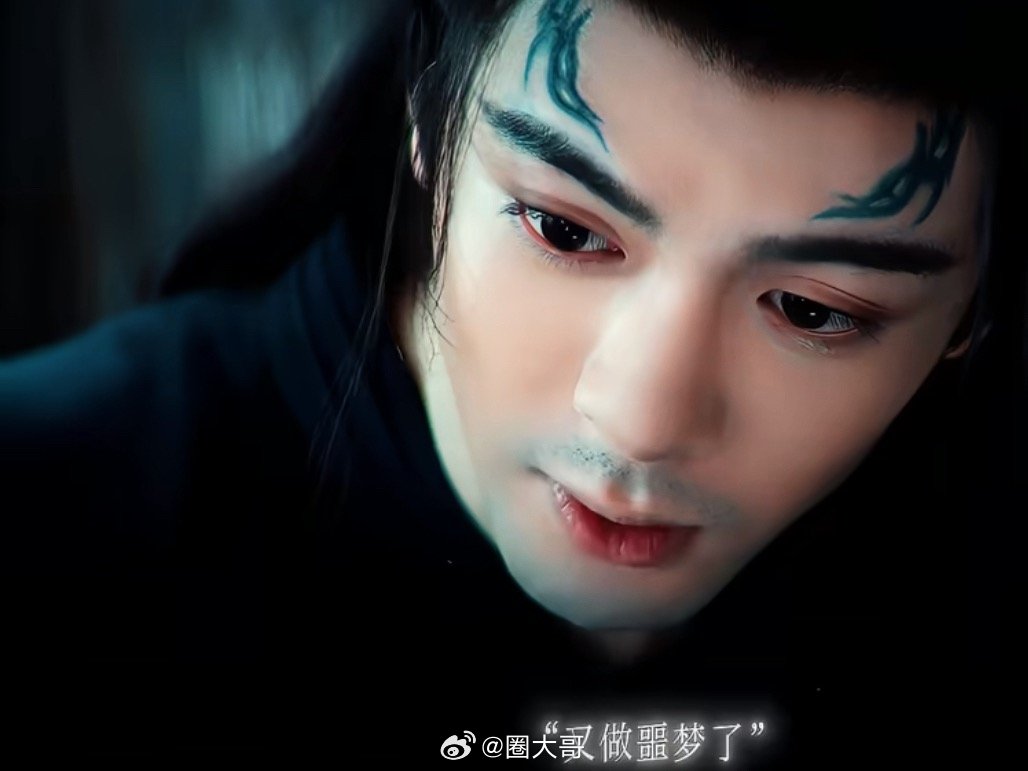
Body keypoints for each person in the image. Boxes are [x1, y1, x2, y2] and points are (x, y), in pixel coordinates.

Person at [2, 0, 1022, 764]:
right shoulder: (52, 511)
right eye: (564, 230)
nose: (640, 420)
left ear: (970, 313)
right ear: (429, 120)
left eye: (812, 310)